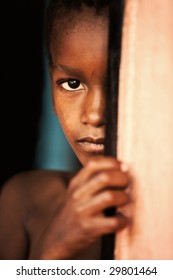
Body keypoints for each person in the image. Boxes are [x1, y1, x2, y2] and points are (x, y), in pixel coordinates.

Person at [0, 0, 131, 260]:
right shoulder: (25, 202)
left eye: (118, 83)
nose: (94, 114)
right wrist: (55, 247)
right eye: (72, 84)